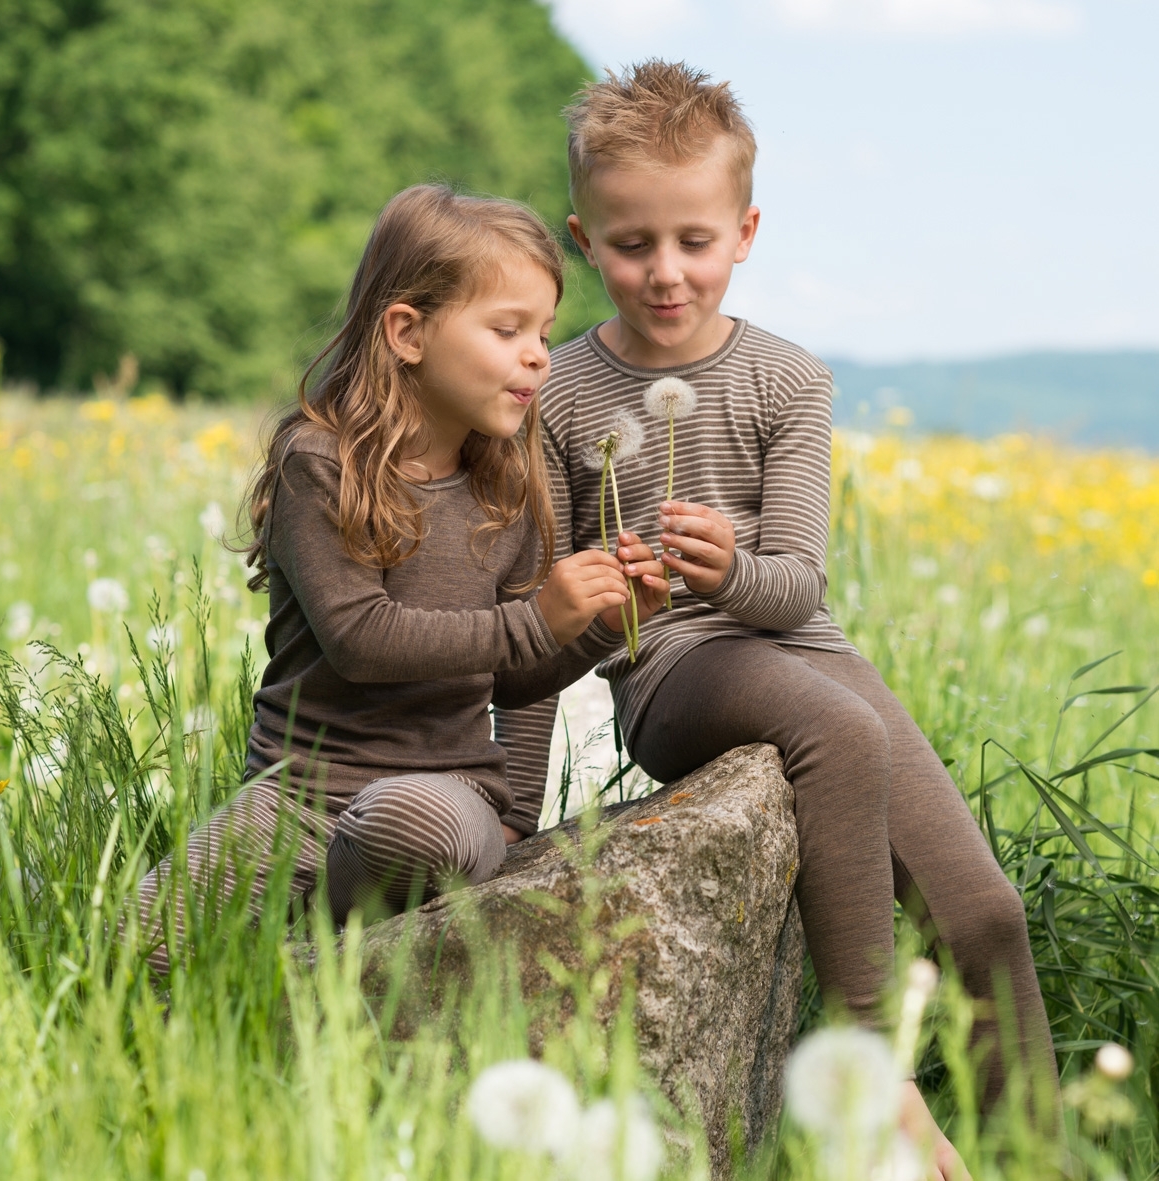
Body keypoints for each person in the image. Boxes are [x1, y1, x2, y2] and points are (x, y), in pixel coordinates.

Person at [492, 61, 1057, 1177]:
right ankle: (867, 1079)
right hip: (673, 675)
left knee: (985, 912)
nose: (663, 272)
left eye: (693, 240)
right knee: (834, 735)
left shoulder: (786, 379)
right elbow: (542, 629)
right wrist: (507, 822)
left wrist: (732, 569)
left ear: (744, 231)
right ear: (581, 240)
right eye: (629, 243)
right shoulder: (551, 395)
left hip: (803, 646)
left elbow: (798, 585)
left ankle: (1045, 1156)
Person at [131, 184, 668, 973]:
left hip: (446, 795)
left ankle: (305, 941)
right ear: (407, 331)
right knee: (131, 947)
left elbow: (515, 681)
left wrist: (591, 625)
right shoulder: (318, 463)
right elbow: (360, 640)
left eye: (545, 334)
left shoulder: (505, 486)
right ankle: (306, 940)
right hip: (295, 795)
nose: (537, 355)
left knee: (406, 824)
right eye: (507, 328)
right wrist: (535, 618)